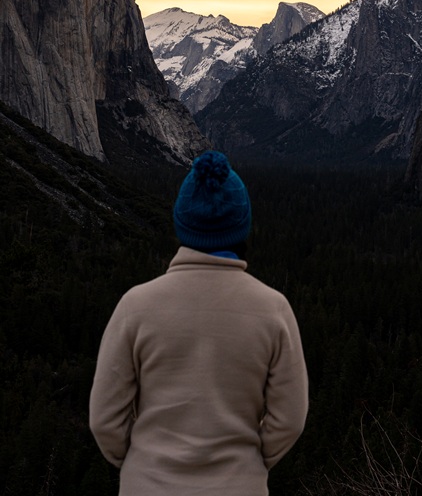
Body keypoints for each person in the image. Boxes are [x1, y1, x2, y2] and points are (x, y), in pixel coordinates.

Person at [89, 150, 308, 495]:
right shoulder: (273, 309)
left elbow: (104, 420)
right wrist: (246, 463)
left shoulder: (135, 305)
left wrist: (144, 462)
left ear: (182, 223)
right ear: (242, 226)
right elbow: (290, 419)